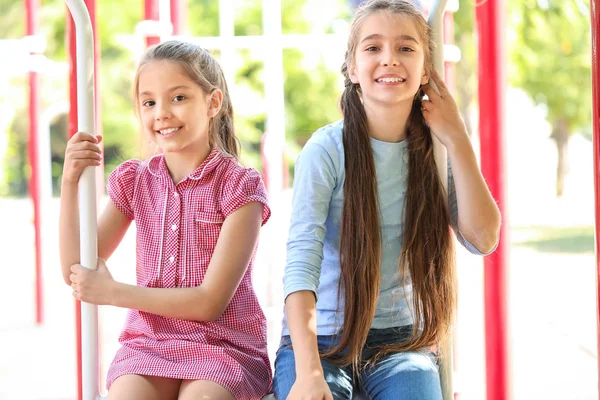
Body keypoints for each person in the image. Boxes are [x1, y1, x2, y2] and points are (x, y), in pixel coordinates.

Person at [273, 1, 501, 399]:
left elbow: (482, 238)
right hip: (321, 341)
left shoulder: (438, 150)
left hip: (400, 344)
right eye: (373, 48)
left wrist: (458, 136)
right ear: (351, 67)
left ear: (426, 69)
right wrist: (308, 372)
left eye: (406, 48)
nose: (389, 60)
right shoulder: (326, 150)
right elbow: (300, 267)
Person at [59, 40, 272, 400]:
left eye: (179, 98)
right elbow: (76, 269)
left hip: (223, 346)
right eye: (149, 102)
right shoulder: (136, 182)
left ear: (213, 102)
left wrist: (113, 293)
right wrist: (69, 182)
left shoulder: (239, 187)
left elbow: (209, 303)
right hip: (150, 344)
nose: (162, 113)